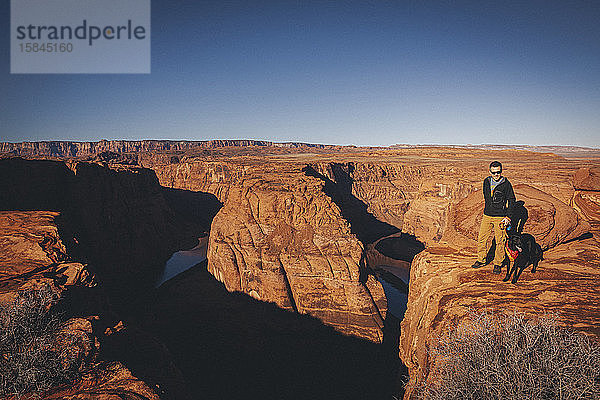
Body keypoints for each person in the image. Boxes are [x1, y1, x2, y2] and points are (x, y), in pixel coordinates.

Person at [471, 161, 516, 273]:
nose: (496, 175)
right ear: (490, 172)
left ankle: (498, 263)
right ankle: (481, 260)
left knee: (500, 240)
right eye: (494, 172)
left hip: (500, 217)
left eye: (499, 172)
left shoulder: (506, 184)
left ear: (501, 171)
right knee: (482, 239)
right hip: (487, 215)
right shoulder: (486, 181)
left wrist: (508, 217)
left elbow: (511, 200)